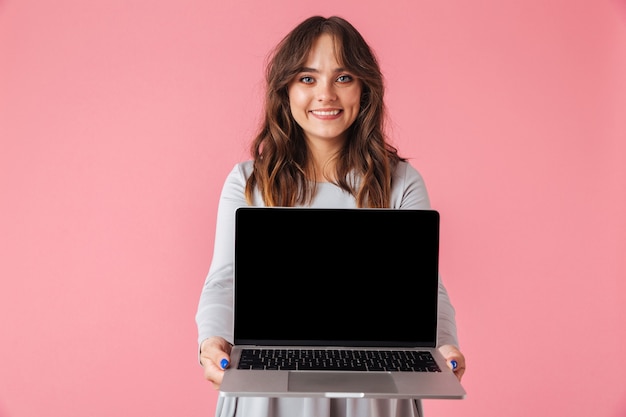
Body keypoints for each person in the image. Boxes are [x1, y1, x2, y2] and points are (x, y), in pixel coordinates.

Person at [196, 15, 466, 417]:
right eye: (307, 78)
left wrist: (444, 346)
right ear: (285, 89)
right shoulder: (248, 181)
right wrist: (211, 341)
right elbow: (224, 279)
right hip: (267, 392)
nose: (326, 94)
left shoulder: (402, 183)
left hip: (374, 393)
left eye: (343, 78)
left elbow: (428, 291)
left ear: (364, 88)